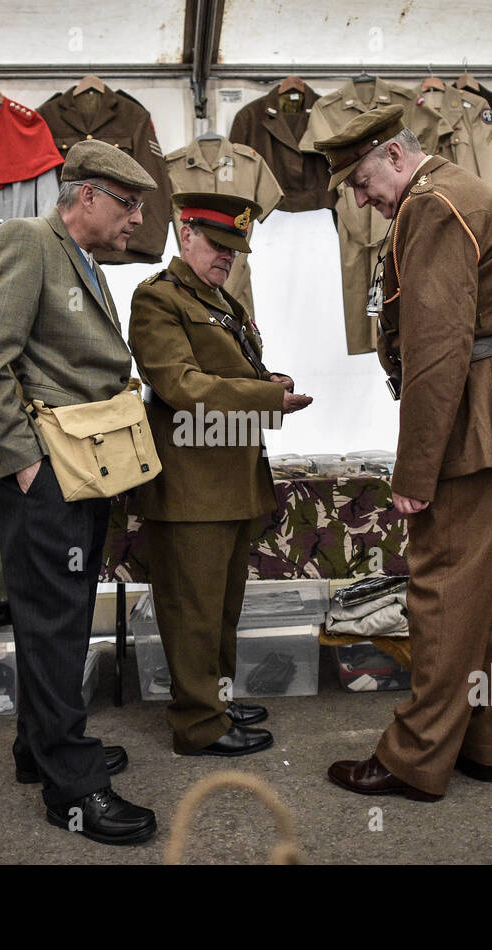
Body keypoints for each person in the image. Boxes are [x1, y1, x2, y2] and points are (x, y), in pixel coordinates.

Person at [314, 106, 492, 800]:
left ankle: (414, 757)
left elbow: (437, 347)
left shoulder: (430, 206)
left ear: (395, 156)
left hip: (466, 417)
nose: (362, 199)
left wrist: (414, 469)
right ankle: (479, 743)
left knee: (441, 589)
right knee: (481, 596)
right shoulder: (461, 190)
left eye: (363, 182)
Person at [0, 140, 159, 845]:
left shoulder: (82, 262)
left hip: (79, 469)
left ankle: (35, 746)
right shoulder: (28, 240)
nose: (138, 219)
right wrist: (25, 463)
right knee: (53, 623)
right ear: (89, 196)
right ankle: (71, 784)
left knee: (59, 620)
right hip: (47, 473)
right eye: (130, 204)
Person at [127, 192, 313, 757]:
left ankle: (217, 701)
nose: (226, 258)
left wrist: (268, 382)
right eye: (217, 245)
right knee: (193, 616)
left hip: (227, 480)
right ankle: (197, 726)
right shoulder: (158, 299)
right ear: (186, 234)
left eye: (235, 249)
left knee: (223, 611)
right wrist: (267, 399)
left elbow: (230, 372)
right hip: (189, 486)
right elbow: (182, 385)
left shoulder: (217, 301)